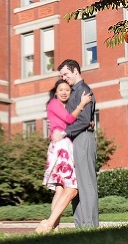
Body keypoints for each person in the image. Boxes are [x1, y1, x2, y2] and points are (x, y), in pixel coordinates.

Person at [35, 79, 92, 233]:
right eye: (61, 89)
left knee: (60, 189)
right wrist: (82, 104)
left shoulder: (63, 106)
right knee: (72, 187)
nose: (64, 92)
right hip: (62, 147)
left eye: (67, 90)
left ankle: (54, 228)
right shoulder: (54, 104)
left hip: (63, 145)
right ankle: (48, 225)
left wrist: (86, 123)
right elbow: (68, 120)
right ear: (55, 91)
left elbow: (69, 123)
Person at [59, 58, 99, 228]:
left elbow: (83, 120)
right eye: (62, 76)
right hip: (74, 141)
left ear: (75, 70)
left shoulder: (83, 90)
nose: (64, 78)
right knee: (75, 184)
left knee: (86, 184)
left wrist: (64, 132)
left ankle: (90, 225)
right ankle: (80, 225)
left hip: (83, 139)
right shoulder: (73, 92)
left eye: (66, 74)